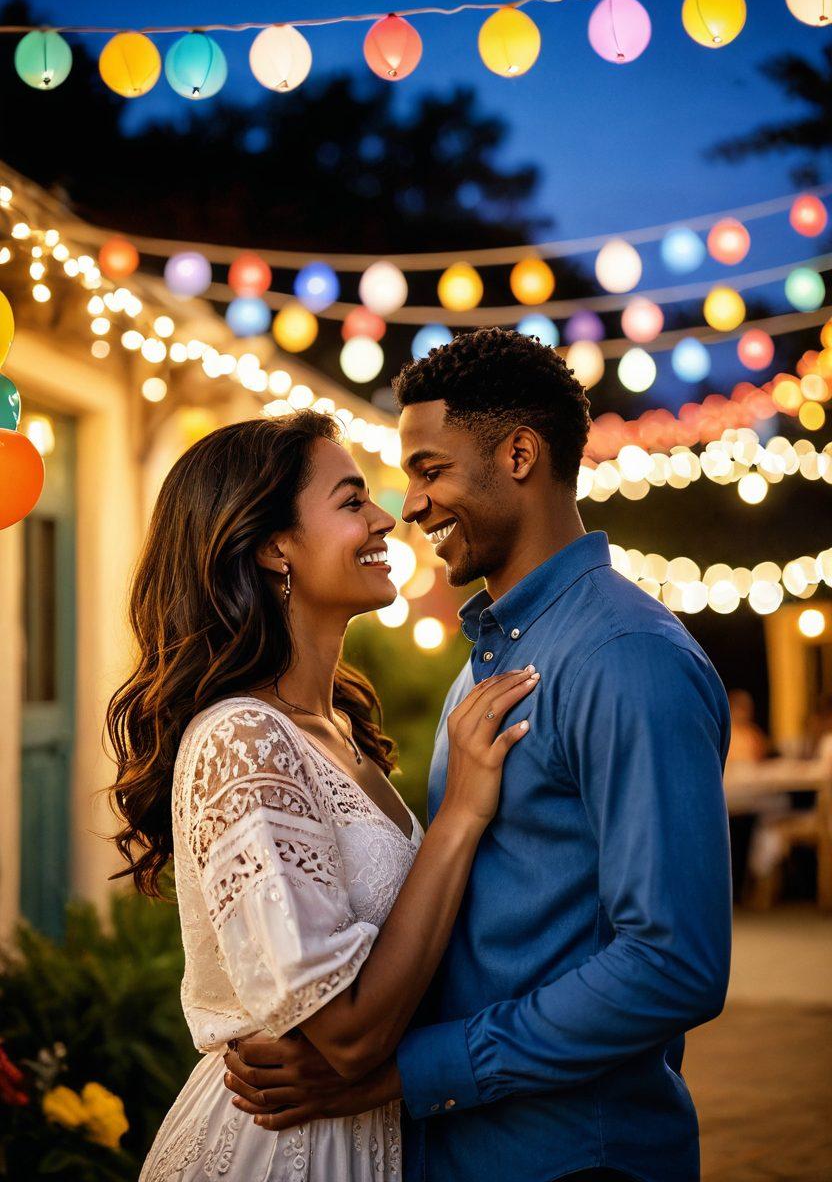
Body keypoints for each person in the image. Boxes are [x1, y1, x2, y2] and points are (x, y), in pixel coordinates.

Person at [225, 328, 733, 1182]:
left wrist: (407, 1072)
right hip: (457, 1152)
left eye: (430, 470)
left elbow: (673, 963)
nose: (411, 505)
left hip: (573, 1157)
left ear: (521, 455)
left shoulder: (625, 656)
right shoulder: (483, 665)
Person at [106, 409, 538, 1181]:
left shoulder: (335, 725)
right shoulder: (242, 737)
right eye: (351, 502)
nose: (387, 517)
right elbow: (344, 1034)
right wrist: (463, 815)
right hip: (281, 1147)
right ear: (274, 545)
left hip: (369, 1134)